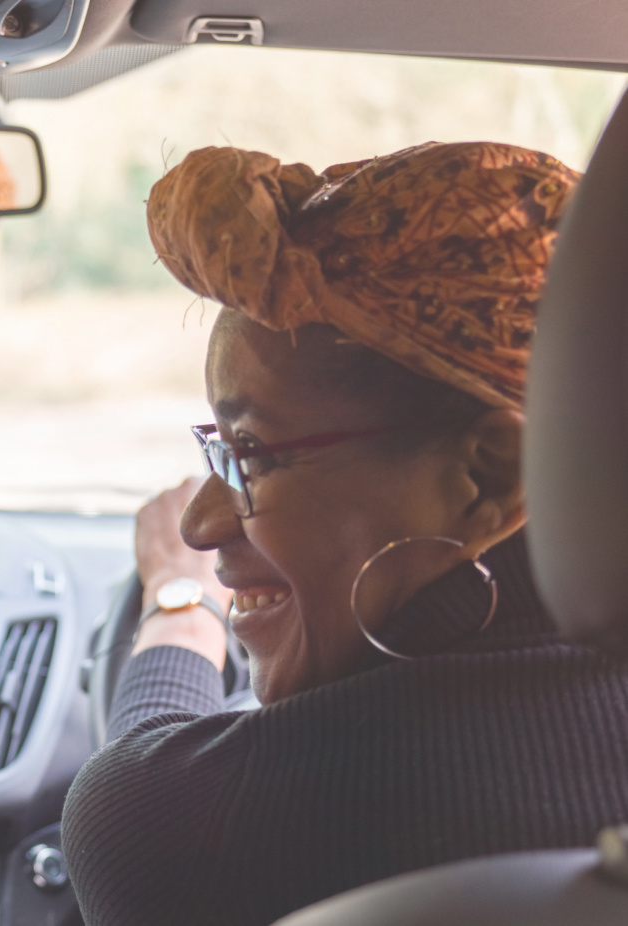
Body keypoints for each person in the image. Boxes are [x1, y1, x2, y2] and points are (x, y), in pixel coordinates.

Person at [61, 141, 628, 926]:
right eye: (214, 452)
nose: (199, 523)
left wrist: (176, 606)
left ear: (486, 475)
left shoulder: (192, 827)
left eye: (250, 455)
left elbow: (143, 763)